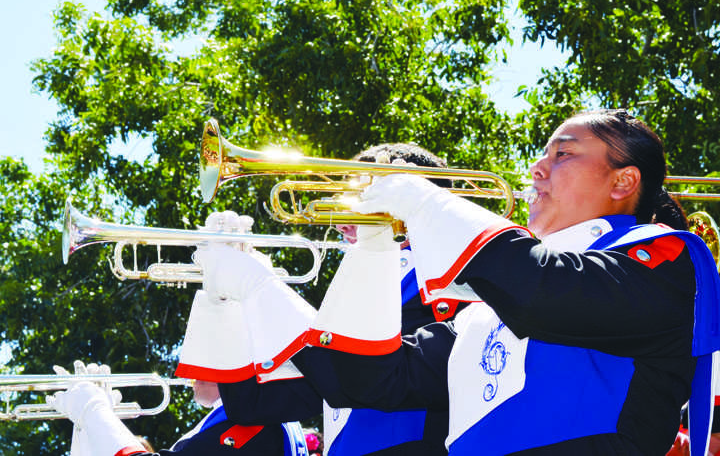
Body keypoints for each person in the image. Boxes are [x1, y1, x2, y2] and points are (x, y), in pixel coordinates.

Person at [205, 109, 720, 455]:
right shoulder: (484, 311)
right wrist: (255, 286)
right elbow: (361, 380)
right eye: (542, 154)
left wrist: (423, 201)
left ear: (623, 182)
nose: (537, 169)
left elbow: (544, 289)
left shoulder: (666, 258)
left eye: (562, 154)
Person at [185, 143, 466, 456]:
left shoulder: (446, 279)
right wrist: (230, 300)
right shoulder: (365, 288)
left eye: (362, 200)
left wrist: (261, 288)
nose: (341, 221)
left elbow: (354, 372)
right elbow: (252, 404)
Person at [47, 360, 308, 456]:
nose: (186, 371)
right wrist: (93, 430)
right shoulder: (250, 414)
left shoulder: (257, 420)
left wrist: (94, 411)